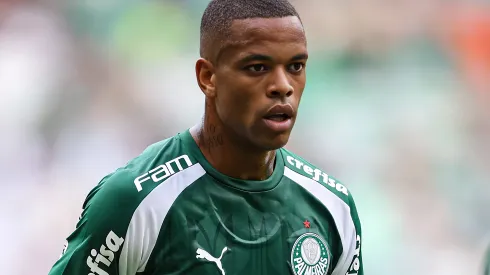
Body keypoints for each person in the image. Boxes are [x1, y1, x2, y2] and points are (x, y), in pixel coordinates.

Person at [48, 0, 363, 274]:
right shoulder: (135, 201)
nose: (283, 86)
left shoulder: (332, 208)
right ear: (207, 77)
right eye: (257, 67)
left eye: (296, 66)